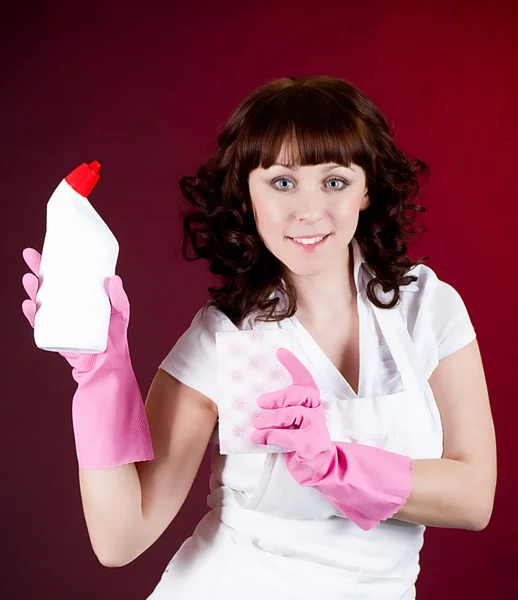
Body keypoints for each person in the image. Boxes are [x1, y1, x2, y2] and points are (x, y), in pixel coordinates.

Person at [21, 75, 497, 599]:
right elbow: (121, 538)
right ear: (246, 193)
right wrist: (100, 377)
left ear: (367, 189)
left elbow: (474, 499)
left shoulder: (425, 309)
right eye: (283, 182)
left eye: (334, 181)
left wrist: (335, 465)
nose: (309, 211)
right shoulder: (227, 335)